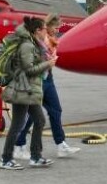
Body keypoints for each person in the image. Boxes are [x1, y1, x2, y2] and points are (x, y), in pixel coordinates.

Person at [13, 13, 81, 160]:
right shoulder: (38, 41)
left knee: (56, 110)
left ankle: (61, 144)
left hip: (48, 79)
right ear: (46, 27)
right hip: (38, 80)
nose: (57, 30)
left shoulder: (51, 41)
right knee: (32, 116)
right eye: (55, 27)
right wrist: (49, 58)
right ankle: (19, 146)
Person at [0, 16, 56, 170]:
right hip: (23, 89)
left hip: (29, 90)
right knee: (18, 125)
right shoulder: (27, 45)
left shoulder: (33, 43)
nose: (47, 31)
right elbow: (28, 69)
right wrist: (48, 64)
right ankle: (6, 159)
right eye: (45, 28)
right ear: (37, 30)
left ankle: (36, 156)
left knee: (39, 120)